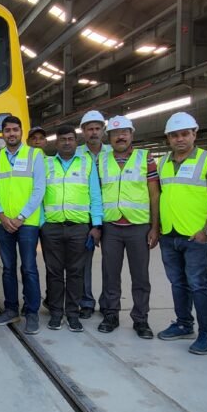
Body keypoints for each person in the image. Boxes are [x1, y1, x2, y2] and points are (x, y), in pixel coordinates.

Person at [156, 112, 207, 355]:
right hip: (169, 233)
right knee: (177, 283)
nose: (180, 139)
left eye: (185, 134)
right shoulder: (162, 162)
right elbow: (159, 195)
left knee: (199, 285)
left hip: (195, 236)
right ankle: (184, 323)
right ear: (168, 138)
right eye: (174, 135)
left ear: (194, 134)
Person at [97, 116, 160, 339]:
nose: (120, 136)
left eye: (124, 132)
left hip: (138, 226)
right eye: (115, 134)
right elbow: (96, 194)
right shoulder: (101, 162)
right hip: (111, 226)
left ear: (132, 135)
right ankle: (111, 314)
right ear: (110, 138)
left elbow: (154, 195)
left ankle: (141, 320)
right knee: (110, 274)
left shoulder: (146, 159)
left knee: (140, 276)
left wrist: (155, 226)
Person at [40, 125, 102, 332]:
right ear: (56, 143)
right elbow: (38, 195)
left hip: (79, 228)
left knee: (76, 273)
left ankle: (73, 314)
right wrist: (42, 224)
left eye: (70, 139)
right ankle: (56, 313)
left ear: (77, 142)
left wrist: (96, 225)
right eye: (62, 139)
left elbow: (95, 196)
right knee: (54, 272)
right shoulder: (46, 164)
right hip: (52, 227)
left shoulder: (87, 164)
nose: (67, 142)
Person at [0, 116, 45, 334]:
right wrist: (2, 216)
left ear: (21, 132)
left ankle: (32, 313)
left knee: (29, 268)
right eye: (7, 130)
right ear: (2, 134)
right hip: (3, 223)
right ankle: (11, 309)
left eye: (15, 130)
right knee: (8, 269)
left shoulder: (34, 155)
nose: (11, 134)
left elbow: (39, 189)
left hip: (27, 223)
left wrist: (20, 216)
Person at [75, 110, 112, 319]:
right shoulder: (76, 153)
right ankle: (86, 301)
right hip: (87, 215)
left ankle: (108, 303)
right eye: (89, 129)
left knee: (110, 263)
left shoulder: (113, 152)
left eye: (98, 128)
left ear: (104, 131)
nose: (94, 132)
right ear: (83, 132)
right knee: (84, 262)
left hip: (114, 213)